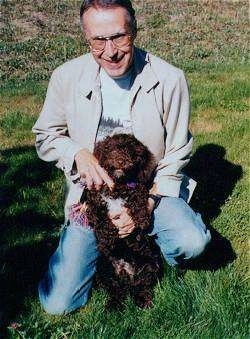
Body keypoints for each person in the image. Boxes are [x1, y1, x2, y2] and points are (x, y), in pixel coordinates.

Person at [32, 0, 211, 315]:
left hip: (150, 190)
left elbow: (179, 150)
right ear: (86, 38)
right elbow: (45, 136)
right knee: (58, 303)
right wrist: (77, 153)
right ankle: (96, 249)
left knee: (192, 242)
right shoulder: (65, 77)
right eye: (98, 40)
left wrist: (147, 203)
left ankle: (154, 249)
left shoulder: (169, 79)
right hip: (93, 200)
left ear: (135, 31)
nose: (110, 50)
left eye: (119, 37)